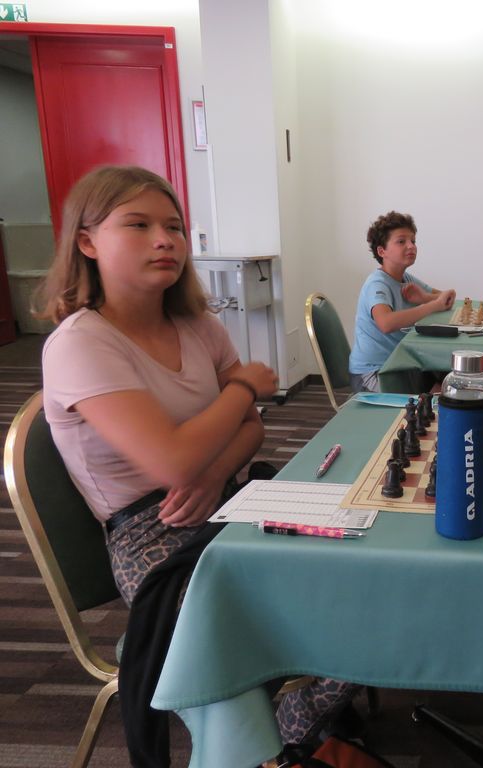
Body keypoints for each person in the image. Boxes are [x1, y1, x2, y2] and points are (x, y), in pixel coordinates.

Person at [39, 165, 355, 762]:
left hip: (224, 498)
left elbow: (250, 430)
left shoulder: (198, 326)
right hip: (151, 534)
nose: (165, 240)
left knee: (365, 573)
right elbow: (171, 461)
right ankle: (264, 737)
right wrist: (244, 386)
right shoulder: (81, 342)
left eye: (175, 227)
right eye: (138, 225)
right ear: (87, 242)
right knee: (286, 612)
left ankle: (288, 728)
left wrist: (212, 473)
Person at [348, 211, 456, 392]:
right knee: (444, 389)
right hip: (374, 372)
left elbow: (447, 298)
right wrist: (432, 305)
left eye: (413, 241)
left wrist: (424, 298)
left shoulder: (405, 278)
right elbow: (386, 323)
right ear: (382, 251)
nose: (411, 246)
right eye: (401, 241)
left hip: (400, 365)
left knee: (449, 379)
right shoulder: (377, 284)